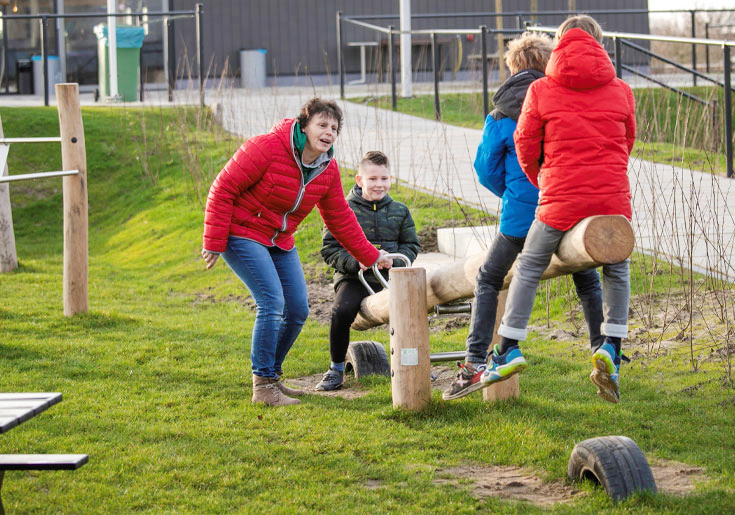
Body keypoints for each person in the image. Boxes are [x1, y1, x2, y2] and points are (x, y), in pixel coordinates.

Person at [442, 31, 605, 401]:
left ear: (513, 67)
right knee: (587, 278)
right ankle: (601, 349)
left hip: (522, 215)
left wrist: (513, 192)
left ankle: (474, 363)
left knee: (488, 278)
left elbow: (485, 168)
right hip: (568, 208)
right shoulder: (562, 101)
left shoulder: (502, 110)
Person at [202, 98, 393, 407]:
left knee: (298, 309)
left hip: (279, 240)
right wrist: (213, 240)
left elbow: (340, 219)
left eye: (334, 128)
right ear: (304, 126)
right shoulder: (266, 147)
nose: (328, 132)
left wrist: (372, 256)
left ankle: (272, 378)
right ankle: (263, 386)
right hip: (242, 232)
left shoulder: (326, 169)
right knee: (272, 302)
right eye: (322, 124)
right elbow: (223, 188)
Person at [490, 15, 636, 404]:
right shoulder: (621, 89)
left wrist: (544, 177)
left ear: (560, 43)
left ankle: (508, 347)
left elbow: (524, 142)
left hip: (560, 198)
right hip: (611, 198)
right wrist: (607, 178)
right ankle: (612, 346)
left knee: (529, 266)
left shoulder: (542, 90)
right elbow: (628, 140)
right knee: (616, 267)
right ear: (599, 42)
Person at [317, 151, 420, 391]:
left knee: (412, 310)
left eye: (384, 179)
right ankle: (335, 369)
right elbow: (330, 249)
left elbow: (411, 246)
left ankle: (416, 362)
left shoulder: (399, 210)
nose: (379, 184)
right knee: (341, 311)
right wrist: (357, 263)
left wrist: (397, 263)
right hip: (354, 278)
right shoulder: (343, 210)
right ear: (359, 180)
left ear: (391, 179)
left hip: (389, 276)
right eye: (372, 179)